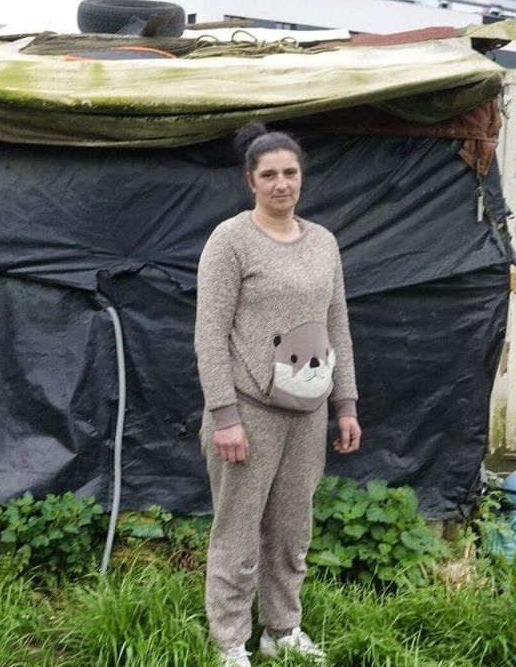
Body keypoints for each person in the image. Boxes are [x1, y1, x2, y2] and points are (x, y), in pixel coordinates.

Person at [195, 123, 361, 667]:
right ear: (251, 181)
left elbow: (337, 325)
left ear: (301, 177)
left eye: (290, 172)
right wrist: (225, 415)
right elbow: (209, 333)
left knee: (292, 528)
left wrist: (346, 405)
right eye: (269, 175)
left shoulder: (323, 242)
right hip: (248, 411)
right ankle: (229, 642)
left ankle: (282, 629)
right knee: (238, 532)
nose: (281, 184)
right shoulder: (231, 241)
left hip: (308, 413)